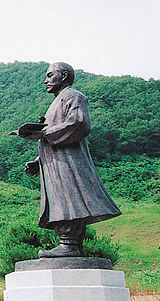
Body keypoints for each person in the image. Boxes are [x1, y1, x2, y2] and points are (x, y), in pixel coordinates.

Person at [15, 62, 120, 258]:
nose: (45, 80)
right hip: (55, 162)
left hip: (68, 162)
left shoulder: (74, 96)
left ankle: (69, 244)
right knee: (61, 199)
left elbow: (78, 123)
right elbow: (52, 134)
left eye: (49, 75)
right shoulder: (57, 101)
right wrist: (38, 161)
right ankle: (72, 245)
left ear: (63, 76)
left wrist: (44, 132)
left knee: (69, 199)